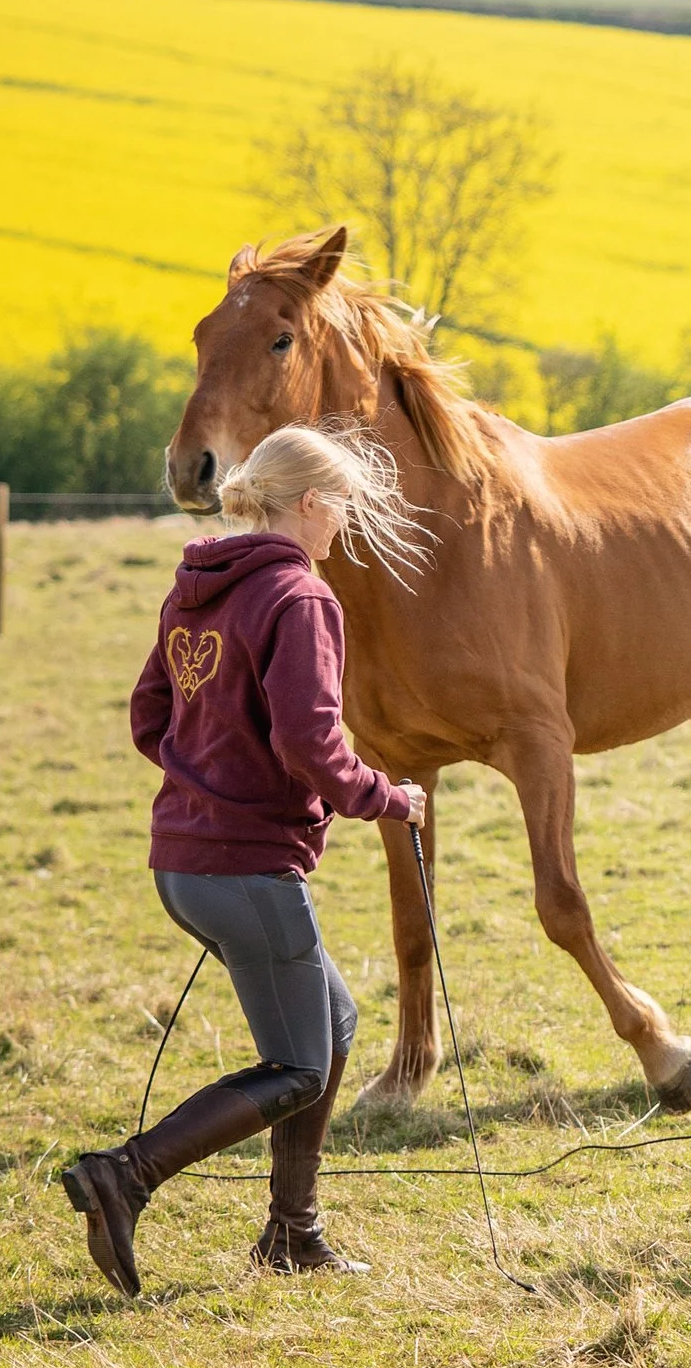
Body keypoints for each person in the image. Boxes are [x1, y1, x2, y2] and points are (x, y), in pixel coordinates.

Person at [62, 424, 432, 1296]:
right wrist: (388, 797)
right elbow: (312, 742)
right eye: (341, 503)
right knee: (300, 1065)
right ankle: (126, 1175)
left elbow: (151, 717)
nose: (345, 521)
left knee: (331, 1027)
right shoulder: (299, 597)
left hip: (184, 866)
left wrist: (208, 789)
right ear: (308, 503)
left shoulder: (198, 585)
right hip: (244, 870)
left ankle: (291, 1234)